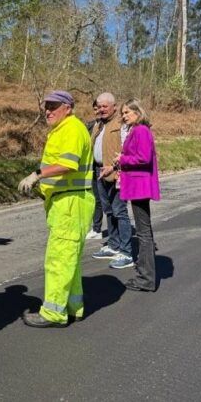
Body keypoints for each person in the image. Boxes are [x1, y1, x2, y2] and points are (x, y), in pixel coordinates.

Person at [18, 90, 94, 327]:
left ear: (68, 108)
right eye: (46, 107)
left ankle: (53, 313)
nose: (48, 111)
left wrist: (37, 175)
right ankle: (72, 307)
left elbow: (68, 164)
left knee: (59, 259)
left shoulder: (71, 128)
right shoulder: (62, 130)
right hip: (67, 202)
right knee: (69, 259)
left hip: (71, 203)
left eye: (54, 106)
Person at [115, 99, 160, 292]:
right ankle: (145, 274)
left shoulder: (141, 130)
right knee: (144, 231)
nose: (124, 116)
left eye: (127, 112)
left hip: (139, 186)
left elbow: (143, 157)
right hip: (138, 186)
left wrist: (122, 158)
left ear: (137, 112)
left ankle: (146, 278)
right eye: (123, 113)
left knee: (143, 232)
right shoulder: (138, 130)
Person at [90, 93, 133, 270]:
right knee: (108, 210)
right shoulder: (98, 124)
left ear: (114, 107)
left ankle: (126, 251)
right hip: (100, 172)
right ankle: (114, 245)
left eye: (105, 107)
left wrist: (116, 168)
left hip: (117, 173)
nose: (101, 109)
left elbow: (127, 150)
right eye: (99, 106)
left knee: (119, 211)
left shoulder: (122, 124)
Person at [84, 99, 103, 240]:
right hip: (92, 165)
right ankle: (96, 227)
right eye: (95, 109)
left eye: (100, 109)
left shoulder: (108, 125)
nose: (97, 111)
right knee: (95, 198)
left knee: (105, 199)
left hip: (105, 165)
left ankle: (101, 229)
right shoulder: (90, 126)